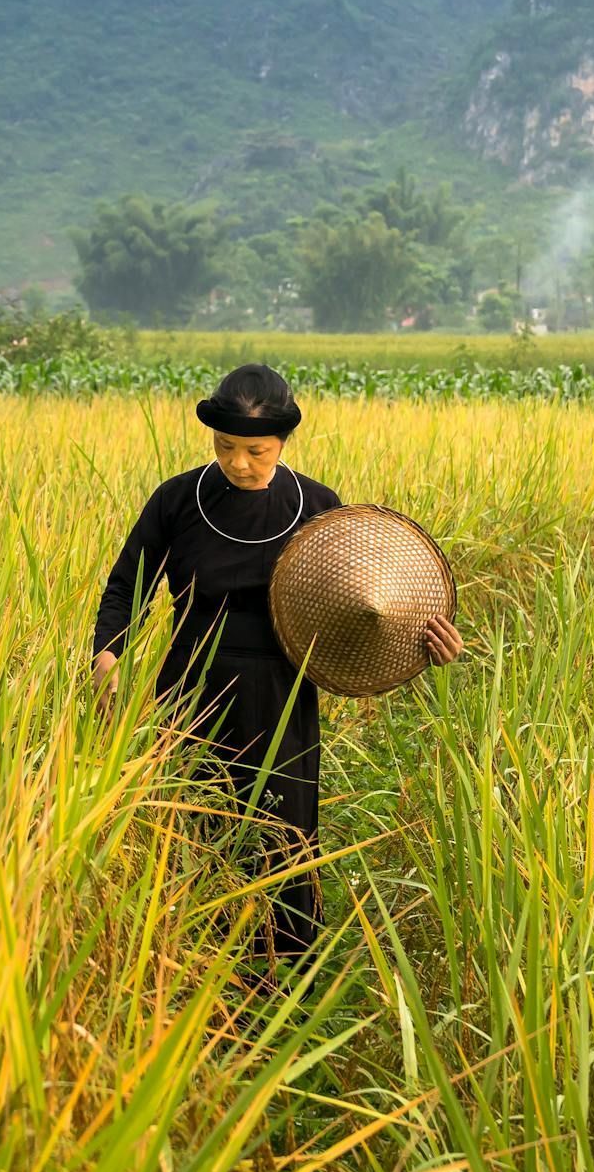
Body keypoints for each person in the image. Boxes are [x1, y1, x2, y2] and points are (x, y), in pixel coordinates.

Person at [90, 362, 459, 963]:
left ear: (283, 442)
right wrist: (107, 652)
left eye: (255, 450)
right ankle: (191, 976)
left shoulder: (318, 507)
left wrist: (424, 640)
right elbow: (129, 584)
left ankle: (283, 983)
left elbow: (367, 601)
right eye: (225, 447)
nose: (239, 463)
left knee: (283, 839)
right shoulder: (178, 499)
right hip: (190, 689)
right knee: (194, 831)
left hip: (280, 696)